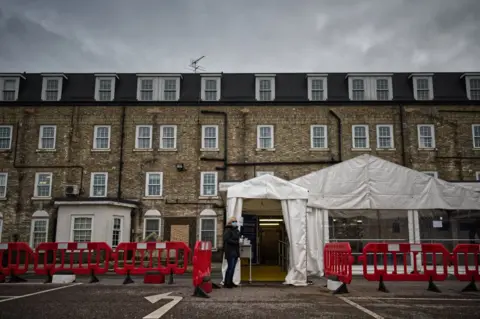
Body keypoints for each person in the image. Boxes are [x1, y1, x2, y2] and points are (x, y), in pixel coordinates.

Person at [223, 217, 240, 288]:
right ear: (230, 222)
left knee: (233, 268)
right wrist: (236, 242)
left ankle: (230, 281)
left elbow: (238, 238)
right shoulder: (228, 229)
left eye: (235, 221)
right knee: (230, 267)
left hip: (235, 251)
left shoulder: (236, 230)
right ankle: (227, 283)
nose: (235, 222)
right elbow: (226, 239)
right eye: (233, 221)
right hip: (230, 251)